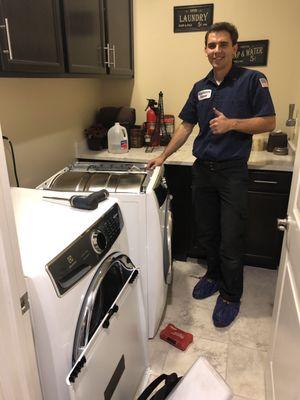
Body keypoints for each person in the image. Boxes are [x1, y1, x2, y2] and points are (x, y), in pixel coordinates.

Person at [147, 22, 276, 327]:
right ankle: (214, 276)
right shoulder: (200, 87)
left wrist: (233, 124)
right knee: (207, 233)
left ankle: (231, 295)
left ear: (235, 48)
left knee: (231, 237)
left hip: (232, 172)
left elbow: (269, 121)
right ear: (205, 50)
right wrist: (163, 155)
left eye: (222, 44)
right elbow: (186, 126)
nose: (216, 50)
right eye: (211, 45)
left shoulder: (252, 80)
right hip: (203, 171)